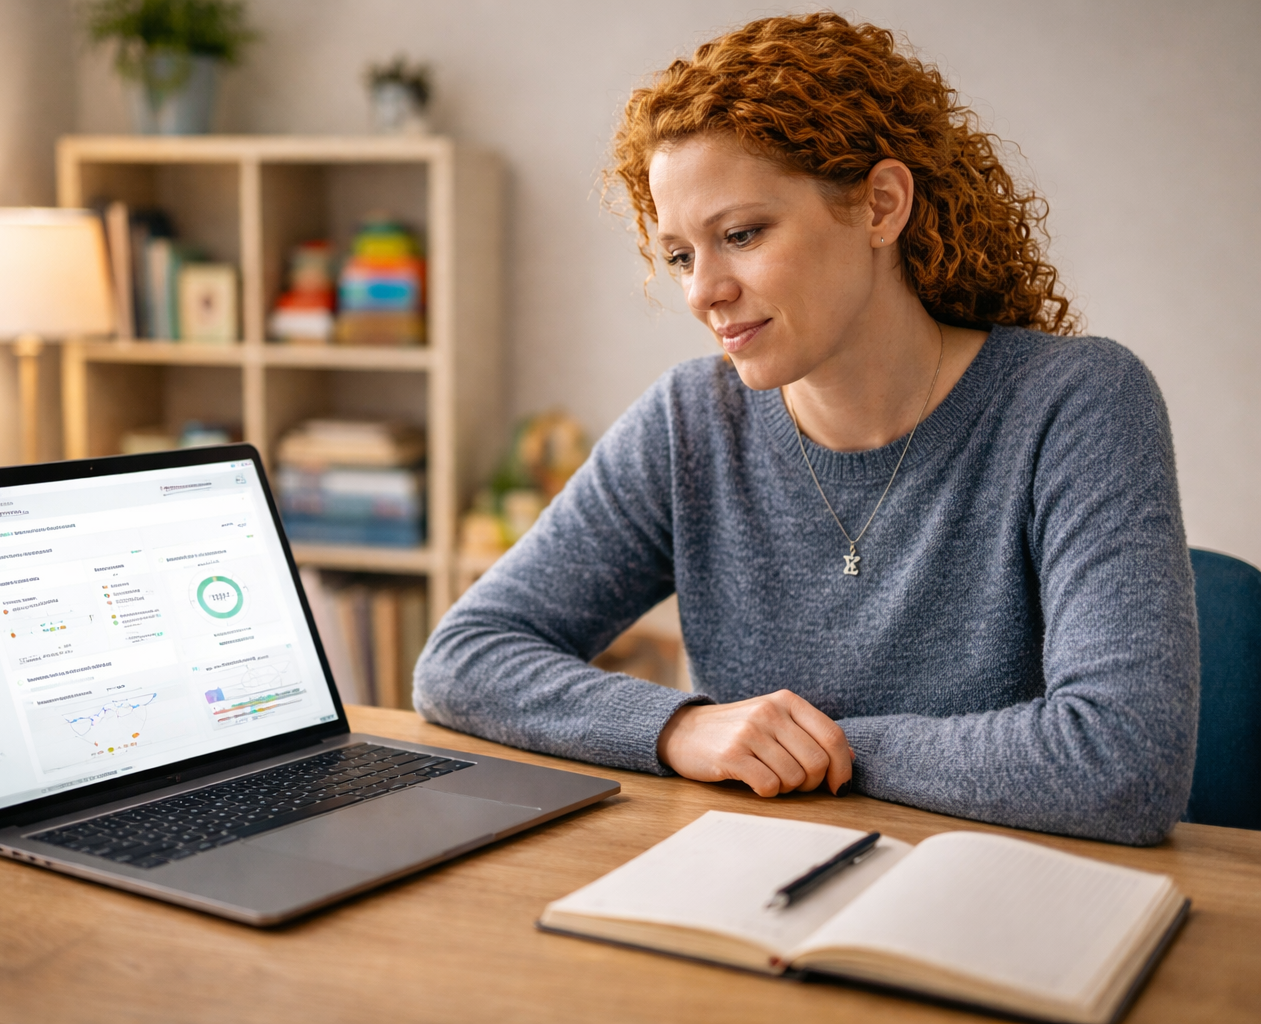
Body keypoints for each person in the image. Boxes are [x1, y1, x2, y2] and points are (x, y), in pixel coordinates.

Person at [413, 12, 1198, 846]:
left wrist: (809, 750)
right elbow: (463, 660)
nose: (701, 292)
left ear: (881, 206)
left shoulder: (1077, 403)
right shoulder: (690, 422)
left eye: (741, 235)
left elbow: (1124, 764)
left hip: (1010, 901)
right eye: (680, 255)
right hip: (767, 893)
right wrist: (682, 728)